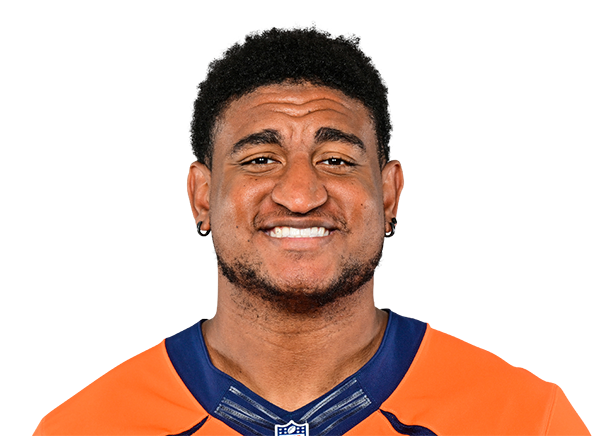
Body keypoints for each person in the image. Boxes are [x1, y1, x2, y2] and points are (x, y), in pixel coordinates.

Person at [36, 25, 590, 436]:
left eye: (337, 160)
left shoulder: (525, 419)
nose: (300, 196)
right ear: (202, 196)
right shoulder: (84, 427)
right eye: (260, 160)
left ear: (389, 193)